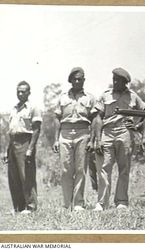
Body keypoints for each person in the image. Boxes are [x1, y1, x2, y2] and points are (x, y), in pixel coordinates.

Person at [93, 67, 145, 210]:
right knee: (104, 167)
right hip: (107, 132)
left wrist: (136, 125)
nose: (115, 82)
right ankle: (102, 202)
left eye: (118, 80)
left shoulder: (133, 96)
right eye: (114, 79)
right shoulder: (105, 95)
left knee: (124, 168)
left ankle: (121, 201)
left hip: (125, 132)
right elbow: (98, 117)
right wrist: (98, 139)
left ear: (125, 82)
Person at [53, 67, 96, 211]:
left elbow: (95, 119)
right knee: (65, 170)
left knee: (80, 169)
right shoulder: (62, 97)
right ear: (70, 80)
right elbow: (57, 119)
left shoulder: (89, 97)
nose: (77, 81)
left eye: (80, 78)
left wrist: (92, 139)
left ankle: (78, 203)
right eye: (75, 79)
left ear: (84, 80)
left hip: (83, 132)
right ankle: (66, 204)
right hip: (64, 134)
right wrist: (55, 140)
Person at [7, 81, 42, 214]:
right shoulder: (14, 108)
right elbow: (11, 130)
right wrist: (8, 149)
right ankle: (18, 207)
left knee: (26, 175)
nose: (20, 93)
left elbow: (37, 129)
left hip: (25, 141)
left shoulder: (33, 108)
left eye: (23, 91)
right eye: (18, 91)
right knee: (14, 176)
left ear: (29, 92)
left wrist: (30, 148)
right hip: (13, 142)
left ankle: (31, 206)